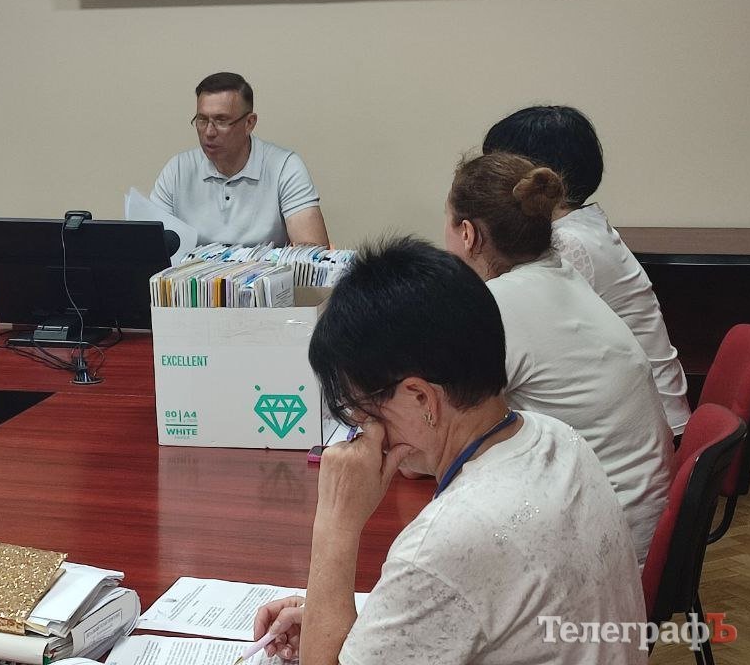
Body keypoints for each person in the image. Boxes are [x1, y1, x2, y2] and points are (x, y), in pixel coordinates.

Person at [253, 238, 645, 665]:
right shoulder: (558, 437)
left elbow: (453, 570)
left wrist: (335, 523)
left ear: (421, 398)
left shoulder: (441, 544)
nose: (363, 430)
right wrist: (340, 625)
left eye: (361, 410)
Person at [445, 152, 671, 563]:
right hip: (640, 526)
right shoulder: (562, 275)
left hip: (601, 548)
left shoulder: (498, 305)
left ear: (467, 234)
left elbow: (438, 439)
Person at [483, 105, 691, 435]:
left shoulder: (568, 243)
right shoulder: (583, 227)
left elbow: (514, 342)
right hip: (644, 415)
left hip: (649, 429)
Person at [151, 72, 331, 246]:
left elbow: (312, 253)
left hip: (264, 267)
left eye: (221, 120)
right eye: (202, 120)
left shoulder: (284, 167)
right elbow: (149, 247)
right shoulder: (178, 170)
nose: (209, 132)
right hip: (191, 268)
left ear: (249, 123)